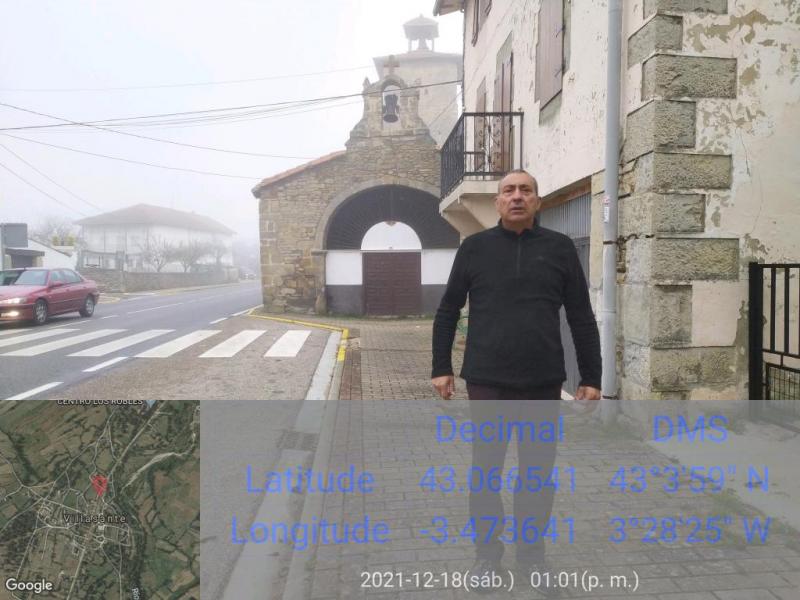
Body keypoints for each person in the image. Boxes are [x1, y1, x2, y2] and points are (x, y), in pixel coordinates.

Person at [431, 169, 601, 596]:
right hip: (487, 381)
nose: (517, 196)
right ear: (498, 202)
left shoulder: (560, 249)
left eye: (526, 190)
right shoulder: (475, 248)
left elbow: (581, 316)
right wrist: (441, 366)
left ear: (538, 201)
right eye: (509, 190)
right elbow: (448, 309)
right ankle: (488, 558)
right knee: (486, 474)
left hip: (542, 382)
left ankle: (532, 558)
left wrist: (592, 376)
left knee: (536, 477)